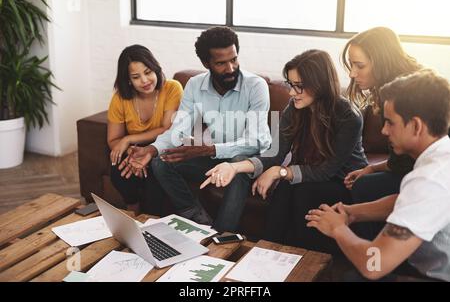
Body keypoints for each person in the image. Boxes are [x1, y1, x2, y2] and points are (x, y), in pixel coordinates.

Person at [201, 50, 368, 253]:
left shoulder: (349, 116)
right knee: (287, 187)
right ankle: (267, 251)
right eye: (291, 85)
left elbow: (327, 170)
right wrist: (233, 167)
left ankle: (304, 258)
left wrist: (280, 172)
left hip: (345, 182)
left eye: (299, 86)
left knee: (301, 190)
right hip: (310, 177)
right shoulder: (294, 108)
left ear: (320, 84)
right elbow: (274, 154)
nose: (291, 92)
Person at [119, 27, 271, 232]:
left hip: (249, 161)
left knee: (237, 162)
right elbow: (178, 130)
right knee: (161, 162)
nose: (231, 68)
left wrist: (208, 149)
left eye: (233, 59)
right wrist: (152, 149)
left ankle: (222, 235)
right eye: (221, 63)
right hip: (215, 157)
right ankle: (198, 220)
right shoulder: (194, 85)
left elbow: (257, 142)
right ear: (206, 63)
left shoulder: (256, 86)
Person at [306, 70, 450, 281]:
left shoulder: (429, 180)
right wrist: (353, 212)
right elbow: (406, 202)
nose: (383, 130)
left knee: (354, 279)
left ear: (417, 126)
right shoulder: (440, 155)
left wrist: (338, 228)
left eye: (390, 122)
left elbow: (373, 264)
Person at [341, 27, 423, 239]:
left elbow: (414, 166)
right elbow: (402, 161)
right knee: (363, 181)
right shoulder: (392, 87)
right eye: (351, 65)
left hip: (429, 179)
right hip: (413, 171)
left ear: (382, 61)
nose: (352, 73)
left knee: (365, 188)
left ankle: (374, 258)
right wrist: (371, 168)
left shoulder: (407, 95)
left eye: (360, 65)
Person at [107, 44, 183, 215]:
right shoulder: (120, 98)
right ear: (128, 80)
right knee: (119, 169)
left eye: (148, 72)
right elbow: (113, 139)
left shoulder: (172, 88)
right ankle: (132, 209)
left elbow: (167, 128)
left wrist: (128, 139)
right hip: (133, 148)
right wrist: (131, 154)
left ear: (155, 69)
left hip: (165, 143)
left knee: (155, 170)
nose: (144, 81)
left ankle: (153, 218)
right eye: (136, 77)